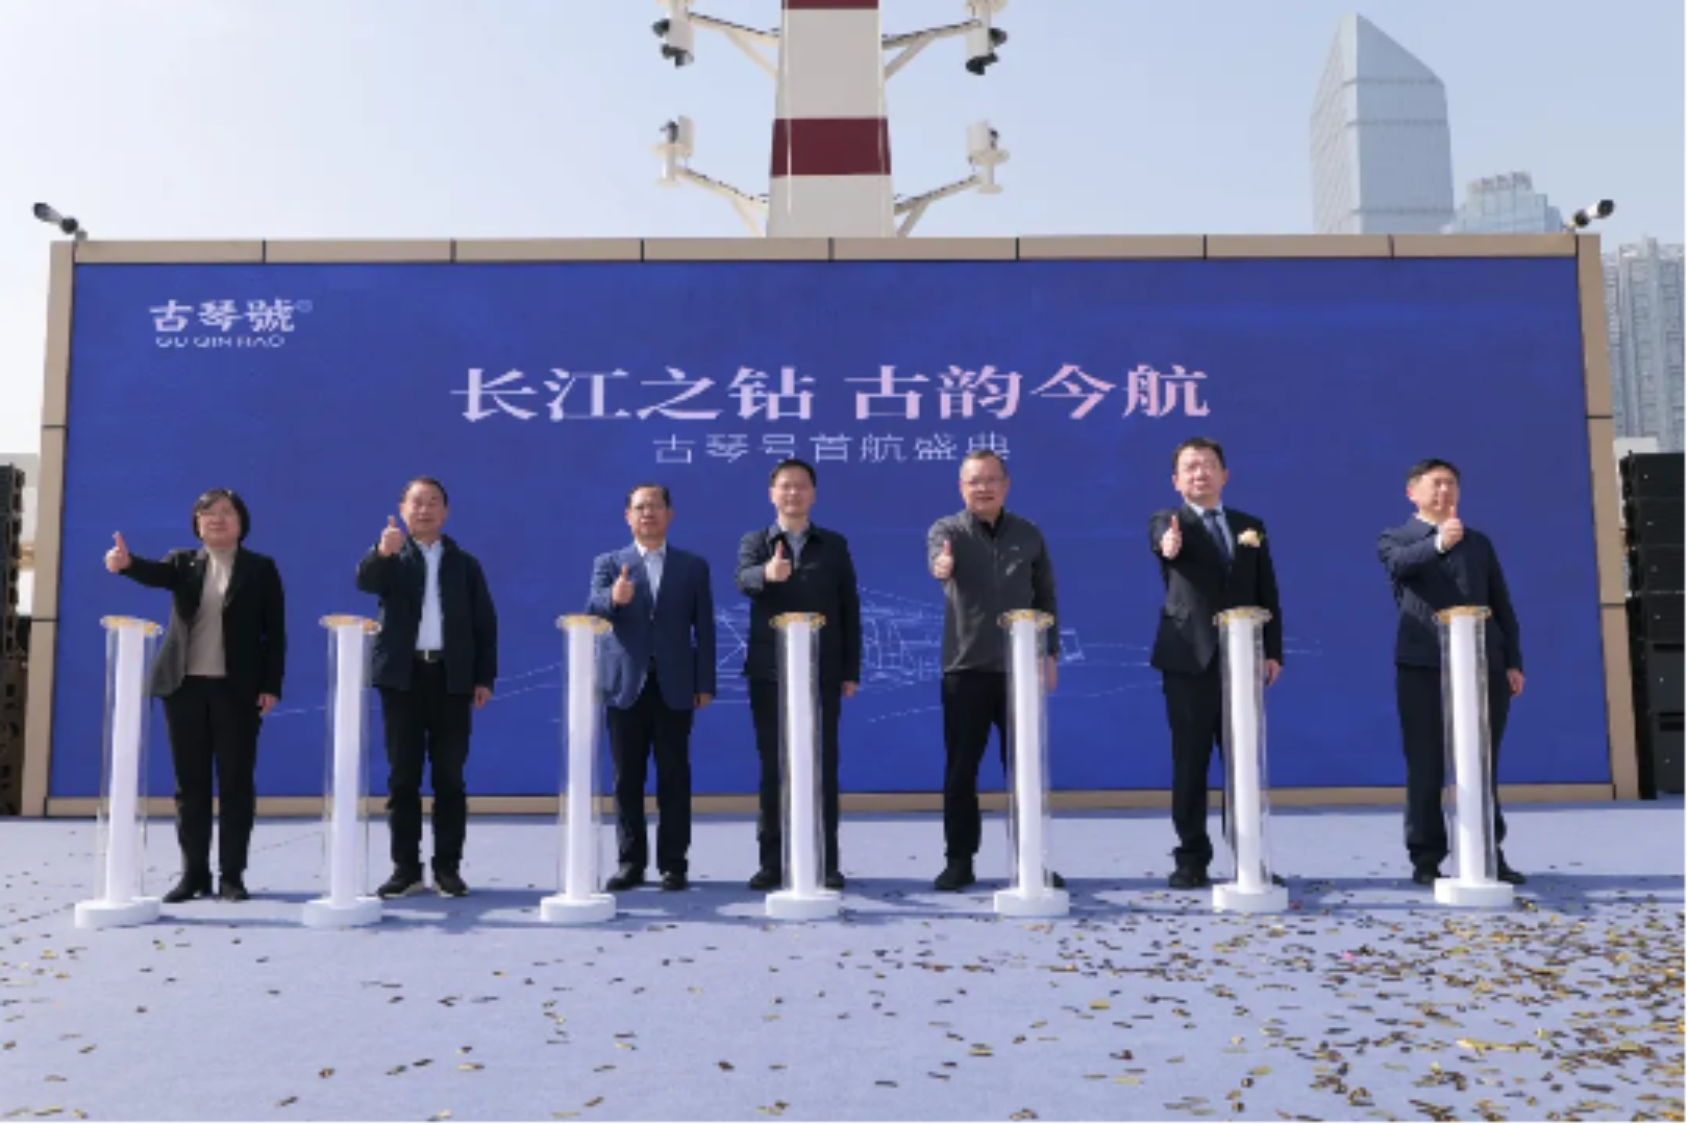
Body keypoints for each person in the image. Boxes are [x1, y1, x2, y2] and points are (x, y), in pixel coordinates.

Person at [105, 488, 286, 904]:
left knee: (236, 784)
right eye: (207, 513)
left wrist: (270, 684)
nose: (216, 519)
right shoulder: (182, 562)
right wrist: (126, 564)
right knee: (191, 786)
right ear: (197, 524)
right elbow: (154, 573)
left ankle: (232, 876)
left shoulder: (260, 568)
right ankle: (194, 874)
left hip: (236, 690)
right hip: (183, 687)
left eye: (226, 512)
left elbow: (274, 633)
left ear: (241, 522)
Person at [1377, 458, 1526, 887]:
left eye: (1451, 484)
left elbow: (1501, 603)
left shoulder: (1478, 543)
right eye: (1436, 484)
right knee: (1425, 763)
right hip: (1423, 665)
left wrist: (1512, 660)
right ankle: (1426, 857)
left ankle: (1488, 851)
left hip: (1484, 664)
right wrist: (1439, 542)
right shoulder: (1395, 538)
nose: (1445, 491)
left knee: (1482, 760)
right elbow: (1399, 565)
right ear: (1413, 493)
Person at [1148, 438, 1284, 890]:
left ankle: (1249, 856)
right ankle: (1192, 857)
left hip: (1242, 659)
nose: (1199, 473)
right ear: (1177, 480)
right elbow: (1163, 545)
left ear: (1224, 475)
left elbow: (1267, 591)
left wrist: (1272, 650)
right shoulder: (1168, 521)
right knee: (1190, 760)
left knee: (1243, 761)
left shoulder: (1250, 526)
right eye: (1190, 467)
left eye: (1208, 465)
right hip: (1189, 658)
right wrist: (1168, 544)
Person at [926, 450, 1062, 893]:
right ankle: (959, 860)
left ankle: (1032, 860)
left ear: (1006, 484)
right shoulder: (947, 530)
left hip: (1019, 670)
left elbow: (1045, 597)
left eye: (990, 480)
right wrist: (943, 566)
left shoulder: (1029, 534)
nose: (982, 488)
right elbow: (937, 562)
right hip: (965, 668)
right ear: (961, 488)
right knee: (961, 770)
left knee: (1024, 769)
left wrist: (1050, 653)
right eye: (973, 481)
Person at [356, 476, 498, 899]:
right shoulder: (392, 556)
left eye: (433, 502)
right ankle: (406, 870)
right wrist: (383, 551)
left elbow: (484, 625)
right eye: (416, 502)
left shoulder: (465, 564)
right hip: (402, 678)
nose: (425, 509)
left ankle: (447, 869)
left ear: (446, 512)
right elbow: (365, 581)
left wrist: (483, 677)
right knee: (403, 777)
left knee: (449, 777)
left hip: (451, 679)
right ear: (403, 510)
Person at [734, 458, 861, 892]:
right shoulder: (756, 541)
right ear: (772, 494)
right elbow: (742, 579)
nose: (793, 493)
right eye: (785, 486)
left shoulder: (834, 544)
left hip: (822, 671)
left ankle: (825, 861)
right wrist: (766, 574)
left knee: (822, 765)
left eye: (801, 486)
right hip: (770, 672)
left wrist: (850, 669)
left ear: (813, 494)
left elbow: (849, 608)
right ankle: (772, 862)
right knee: (774, 766)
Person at [588, 484, 716, 893]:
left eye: (656, 506)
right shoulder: (610, 563)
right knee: (627, 779)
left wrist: (704, 681)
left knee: (674, 778)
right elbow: (592, 609)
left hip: (675, 686)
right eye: (640, 507)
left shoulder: (692, 566)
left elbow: (705, 629)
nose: (648, 513)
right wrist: (614, 597)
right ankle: (630, 863)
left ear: (669, 514)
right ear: (628, 516)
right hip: (625, 687)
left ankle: (673, 864)